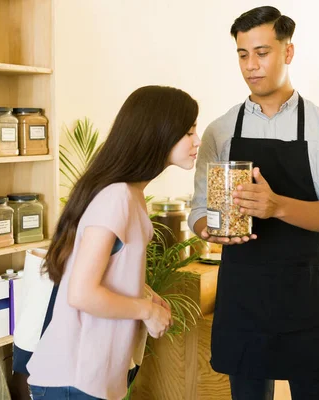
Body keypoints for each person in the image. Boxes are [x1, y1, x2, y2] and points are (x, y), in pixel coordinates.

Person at [189, 6, 319, 400]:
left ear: (288, 52)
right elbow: (199, 210)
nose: (251, 65)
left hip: (306, 300)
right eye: (243, 54)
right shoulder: (221, 131)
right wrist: (210, 230)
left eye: (262, 52)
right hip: (243, 301)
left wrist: (276, 206)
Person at [27, 85, 201, 400]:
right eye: (189, 132)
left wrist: (146, 295)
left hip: (90, 379)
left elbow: (107, 269)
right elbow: (81, 293)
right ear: (159, 133)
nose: (197, 141)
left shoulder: (130, 194)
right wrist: (146, 311)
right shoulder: (116, 197)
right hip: (73, 381)